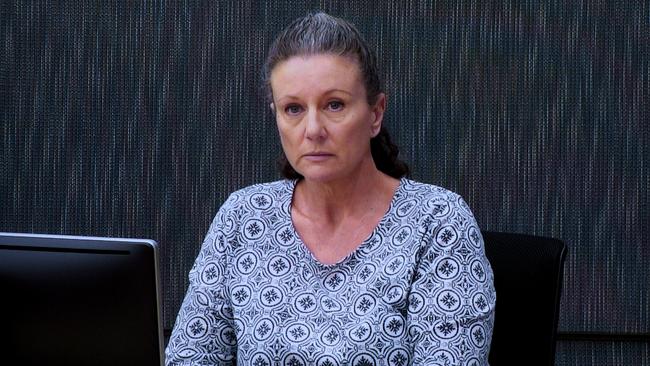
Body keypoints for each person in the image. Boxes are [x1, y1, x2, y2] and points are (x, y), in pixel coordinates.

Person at [166, 12, 495, 366]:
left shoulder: (437, 220)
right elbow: (192, 356)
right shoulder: (243, 216)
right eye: (293, 109)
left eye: (334, 105)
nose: (313, 129)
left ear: (375, 114)